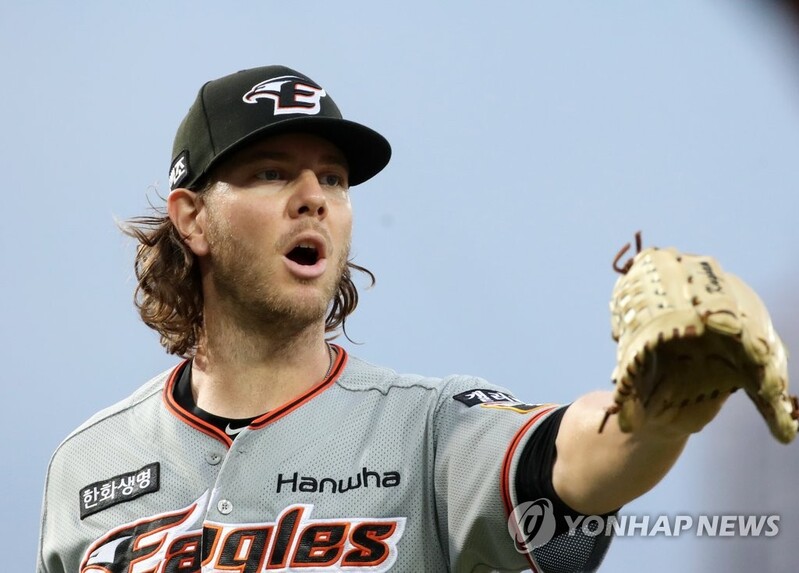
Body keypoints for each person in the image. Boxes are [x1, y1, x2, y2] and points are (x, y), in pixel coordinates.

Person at [36, 65, 740, 573]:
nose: (314, 197)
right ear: (192, 217)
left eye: (335, 179)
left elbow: (567, 457)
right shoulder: (87, 466)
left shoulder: (428, 428)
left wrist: (655, 413)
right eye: (274, 172)